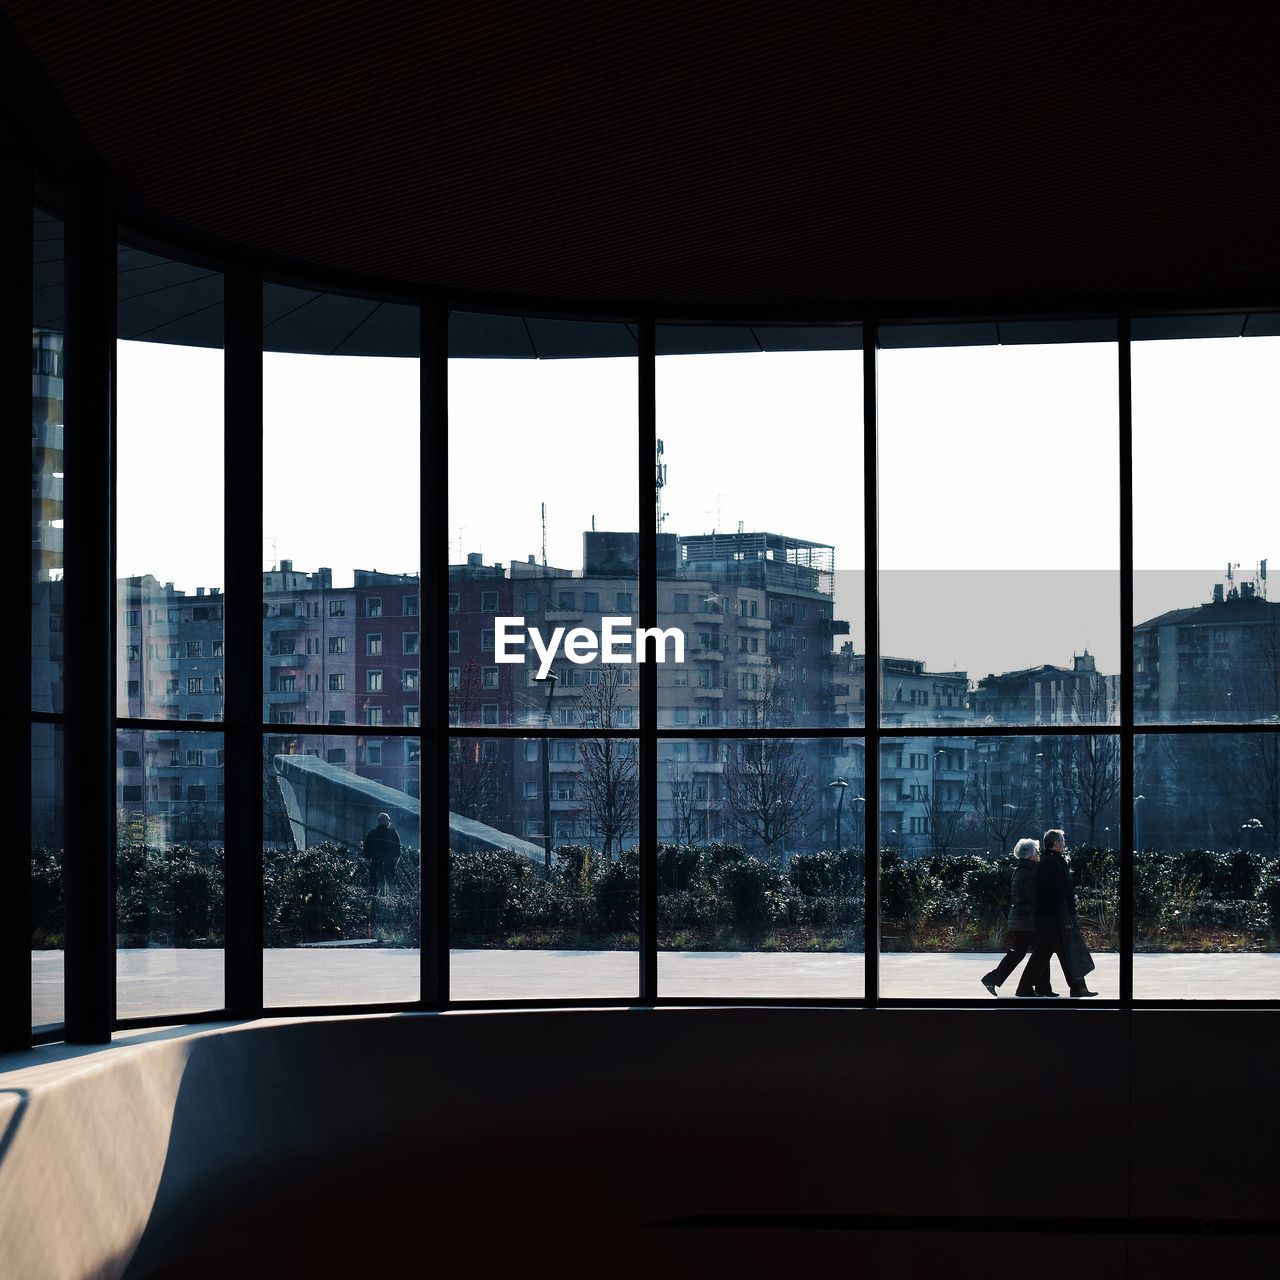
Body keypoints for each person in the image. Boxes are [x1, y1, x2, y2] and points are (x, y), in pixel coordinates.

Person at [1021, 828, 1098, 998]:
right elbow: (1056, 893)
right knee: (1047, 953)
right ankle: (1025, 987)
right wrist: (1065, 917)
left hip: (1051, 917)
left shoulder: (1050, 861)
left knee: (1062, 952)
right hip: (1053, 918)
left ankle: (1078, 987)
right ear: (1056, 844)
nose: (1064, 844)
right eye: (1062, 841)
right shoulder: (1052, 863)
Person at [979, 837, 1040, 996]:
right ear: (1030, 855)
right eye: (1037, 851)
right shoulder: (1029, 871)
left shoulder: (1021, 870)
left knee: (1024, 952)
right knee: (1035, 952)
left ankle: (1032, 986)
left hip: (1022, 918)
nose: (1039, 853)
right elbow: (1031, 895)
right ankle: (1022, 986)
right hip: (1027, 919)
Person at [363, 812, 401, 898]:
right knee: (390, 883)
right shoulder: (392, 832)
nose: (389, 823)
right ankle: (391, 898)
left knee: (373, 884)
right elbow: (397, 847)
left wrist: (368, 860)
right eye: (388, 820)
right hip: (389, 863)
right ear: (385, 821)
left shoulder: (372, 833)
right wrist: (396, 860)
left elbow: (366, 849)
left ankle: (373, 897)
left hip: (375, 863)